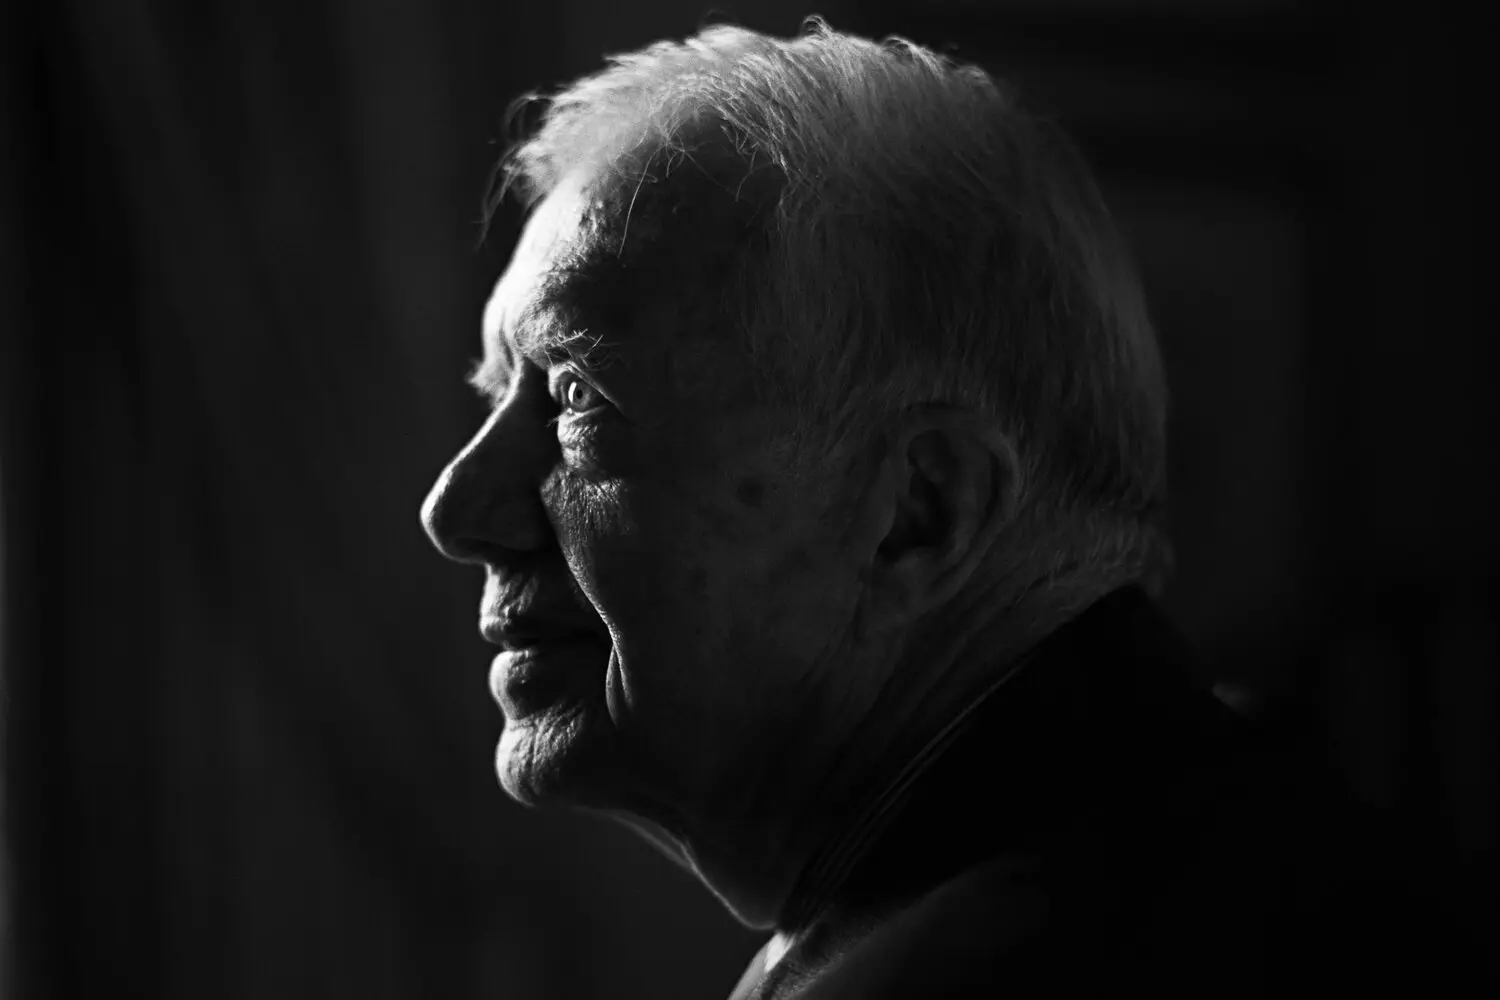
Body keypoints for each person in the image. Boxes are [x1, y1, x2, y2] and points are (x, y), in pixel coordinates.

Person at [421, 19, 1487, 998]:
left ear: (920, 510)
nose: (456, 508)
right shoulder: (1234, 859)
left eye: (577, 398)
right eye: (496, 395)